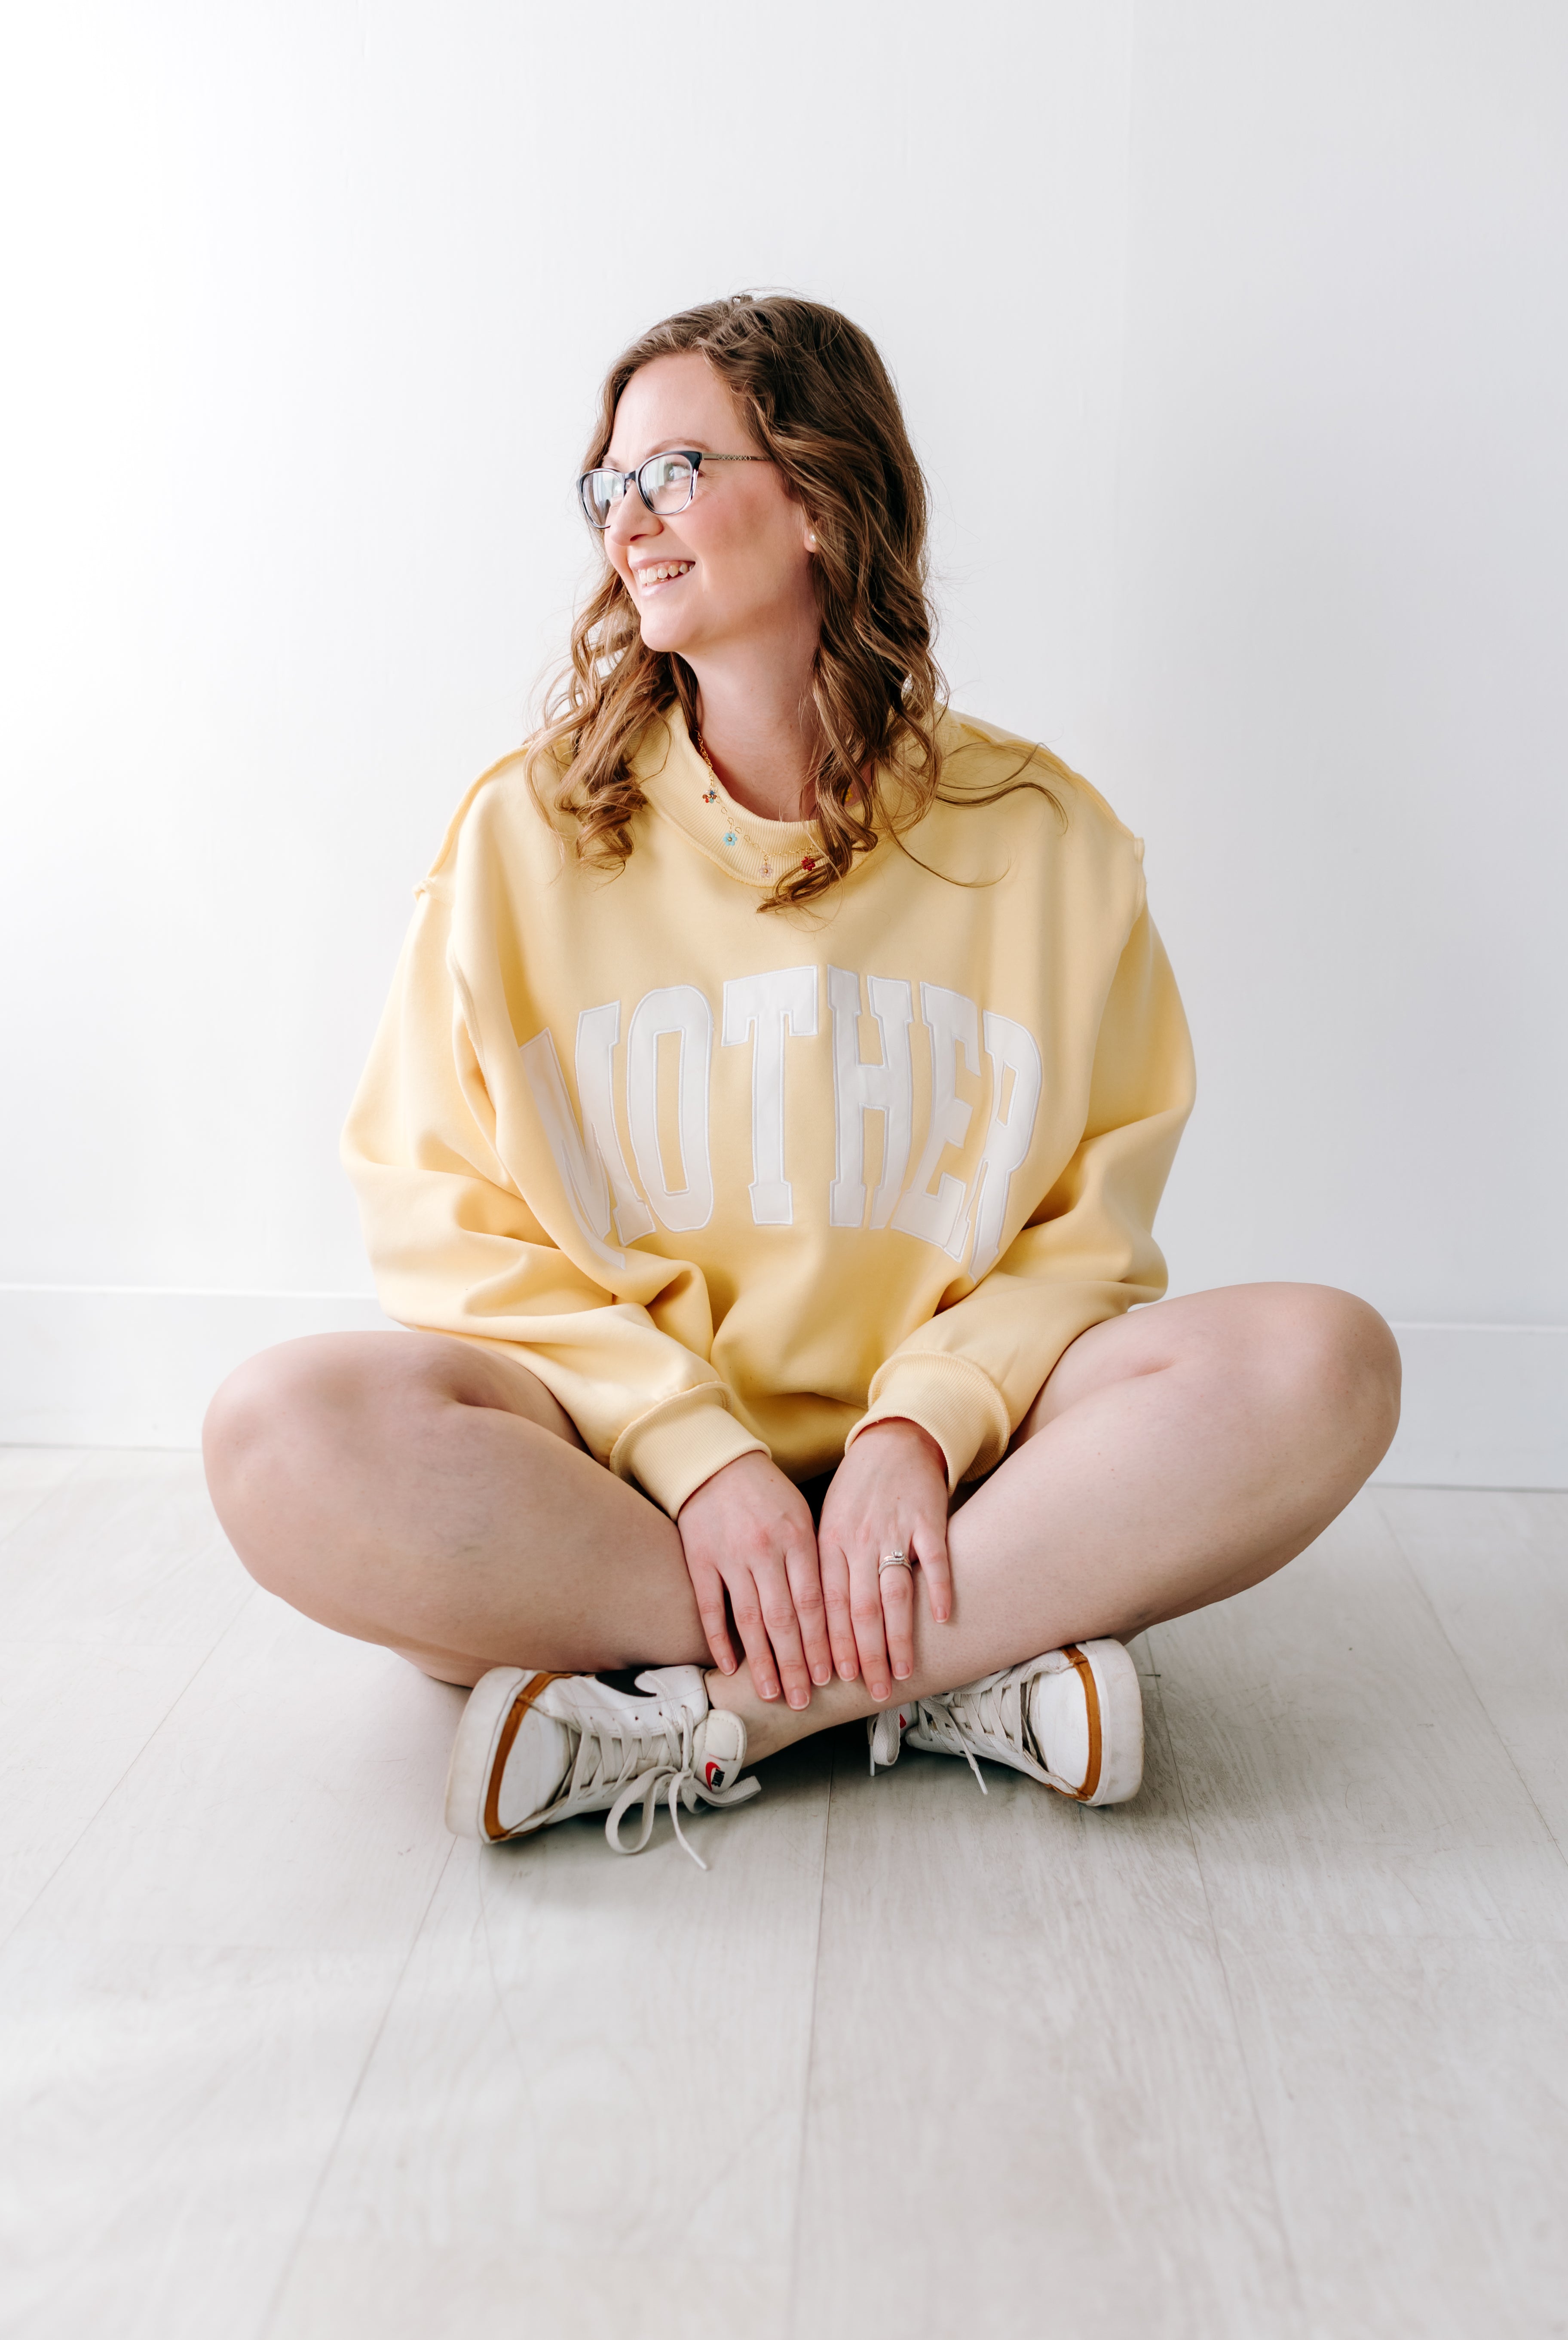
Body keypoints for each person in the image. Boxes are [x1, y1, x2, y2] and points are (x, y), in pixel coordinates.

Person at [202, 294, 1400, 1868]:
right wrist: (693, 1454)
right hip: (624, 1483)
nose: (628, 521)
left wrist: (921, 1428)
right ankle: (962, 1667)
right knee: (276, 1433)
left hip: (967, 1476)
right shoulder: (520, 839)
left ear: (823, 500)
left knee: (1327, 1361)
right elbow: (446, 1225)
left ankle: (708, 1715)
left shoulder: (1047, 842)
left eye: (676, 470)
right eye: (609, 484)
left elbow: (1088, 1236)